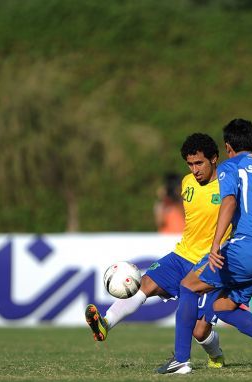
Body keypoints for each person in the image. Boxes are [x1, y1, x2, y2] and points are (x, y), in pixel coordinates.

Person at [156, 118, 252, 375]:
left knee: (188, 285)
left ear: (228, 147)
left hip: (242, 249)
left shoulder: (231, 167)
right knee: (223, 307)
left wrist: (216, 244)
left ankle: (181, 360)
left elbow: (228, 202)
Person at [85, 133, 231, 368]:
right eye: (190, 164)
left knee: (199, 331)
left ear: (214, 158)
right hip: (182, 255)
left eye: (199, 163)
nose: (194, 170)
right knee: (144, 284)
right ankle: (105, 324)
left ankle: (216, 355)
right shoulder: (187, 183)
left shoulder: (229, 185)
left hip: (211, 263)